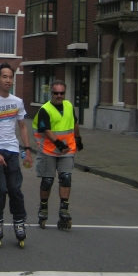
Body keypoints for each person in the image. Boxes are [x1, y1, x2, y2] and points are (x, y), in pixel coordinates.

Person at [0, 63, 33, 247]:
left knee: (15, 189)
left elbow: (22, 127)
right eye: (4, 77)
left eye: (10, 77)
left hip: (12, 150)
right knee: (0, 189)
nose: (8, 80)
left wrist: (27, 150)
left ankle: (19, 222)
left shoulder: (17, 102)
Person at [32, 79, 83, 230]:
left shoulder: (69, 106)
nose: (59, 96)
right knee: (47, 181)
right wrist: (59, 144)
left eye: (62, 93)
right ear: (51, 93)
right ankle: (43, 208)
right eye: (56, 93)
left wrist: (78, 139)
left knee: (66, 177)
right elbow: (46, 130)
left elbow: (74, 123)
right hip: (49, 150)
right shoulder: (45, 109)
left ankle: (64, 209)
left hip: (67, 150)